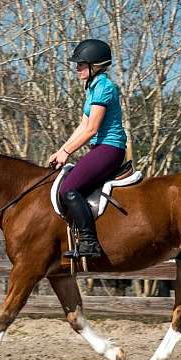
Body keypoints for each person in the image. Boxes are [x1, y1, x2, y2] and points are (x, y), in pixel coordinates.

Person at [48, 39, 127, 259]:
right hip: (100, 148)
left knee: (68, 190)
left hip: (110, 148)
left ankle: (90, 243)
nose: (77, 69)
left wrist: (67, 153)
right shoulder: (92, 88)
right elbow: (82, 125)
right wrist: (61, 149)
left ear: (95, 66)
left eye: (81, 65)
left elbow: (92, 129)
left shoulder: (104, 88)